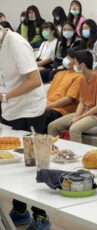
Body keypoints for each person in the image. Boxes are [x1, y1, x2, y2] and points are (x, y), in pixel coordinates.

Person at [0, 25, 50, 230]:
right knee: (11, 164)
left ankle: (42, 215)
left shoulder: (16, 43)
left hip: (29, 110)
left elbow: (35, 80)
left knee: (34, 164)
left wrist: (4, 96)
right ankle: (20, 211)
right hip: (10, 109)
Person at [48, 50, 97, 143]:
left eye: (76, 63)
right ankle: (54, 152)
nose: (74, 66)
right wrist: (76, 116)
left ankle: (77, 155)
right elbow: (82, 102)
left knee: (74, 129)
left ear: (82, 65)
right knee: (52, 126)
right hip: (84, 112)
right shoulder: (82, 78)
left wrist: (78, 118)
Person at [44, 48, 82, 133]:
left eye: (69, 57)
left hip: (62, 111)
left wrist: (47, 106)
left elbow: (68, 99)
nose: (65, 58)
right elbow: (49, 93)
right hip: (48, 106)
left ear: (76, 61)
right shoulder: (59, 74)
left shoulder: (79, 77)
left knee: (41, 117)